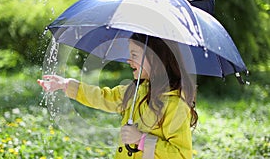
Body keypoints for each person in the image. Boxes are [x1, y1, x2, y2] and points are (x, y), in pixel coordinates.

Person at [37, 33, 198, 159]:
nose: (129, 60)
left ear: (155, 58)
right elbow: (103, 97)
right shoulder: (135, 90)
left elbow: (181, 154)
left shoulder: (175, 103)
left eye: (134, 55)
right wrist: (67, 85)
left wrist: (141, 140)